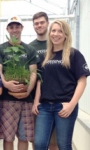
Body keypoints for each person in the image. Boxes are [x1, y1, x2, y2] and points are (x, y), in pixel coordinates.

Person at [32, 20, 90, 150]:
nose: (55, 34)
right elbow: (40, 80)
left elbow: (82, 81)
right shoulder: (45, 56)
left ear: (66, 35)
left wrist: (72, 104)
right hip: (45, 107)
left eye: (60, 31)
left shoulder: (74, 54)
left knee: (63, 145)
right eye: (53, 30)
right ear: (49, 33)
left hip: (65, 106)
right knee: (39, 144)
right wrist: (36, 101)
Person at [0, 16, 39, 150]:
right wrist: (6, 84)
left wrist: (28, 91)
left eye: (17, 27)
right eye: (11, 27)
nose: (14, 30)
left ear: (22, 28)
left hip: (27, 100)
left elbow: (33, 72)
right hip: (7, 99)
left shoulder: (29, 49)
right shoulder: (0, 49)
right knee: (8, 137)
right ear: (7, 29)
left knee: (24, 136)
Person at [29, 12, 58, 150]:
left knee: (54, 141)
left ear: (47, 23)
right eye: (36, 23)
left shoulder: (56, 43)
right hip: (36, 100)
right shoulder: (30, 47)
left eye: (42, 22)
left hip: (56, 97)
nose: (39, 25)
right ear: (33, 25)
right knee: (37, 139)